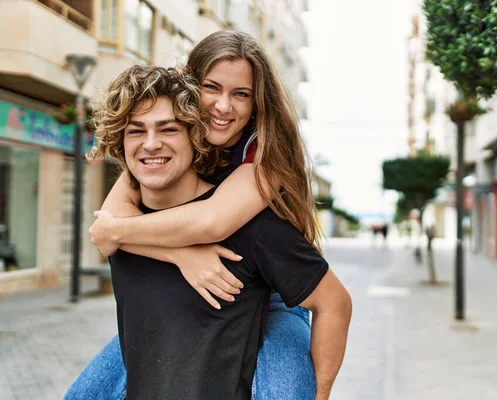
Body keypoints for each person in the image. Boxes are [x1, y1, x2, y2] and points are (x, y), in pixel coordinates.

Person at [65, 31, 347, 400]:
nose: (223, 106)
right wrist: (182, 254)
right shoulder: (172, 148)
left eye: (241, 94)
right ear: (190, 89)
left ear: (257, 103)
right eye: (212, 88)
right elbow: (110, 228)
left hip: (276, 296)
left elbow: (212, 222)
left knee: (288, 393)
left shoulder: (263, 157)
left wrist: (320, 391)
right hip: (199, 301)